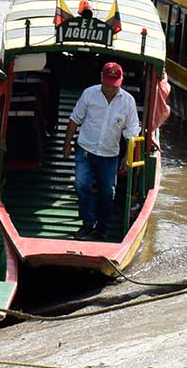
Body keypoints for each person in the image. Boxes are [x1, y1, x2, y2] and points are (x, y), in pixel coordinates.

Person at [64, 62, 143, 240]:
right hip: (85, 149)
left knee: (108, 192)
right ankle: (87, 223)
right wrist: (67, 143)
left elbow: (131, 131)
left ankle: (102, 226)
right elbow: (75, 118)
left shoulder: (128, 101)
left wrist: (127, 156)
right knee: (81, 185)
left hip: (109, 155)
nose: (110, 89)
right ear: (101, 79)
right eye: (107, 84)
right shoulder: (89, 94)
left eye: (113, 86)